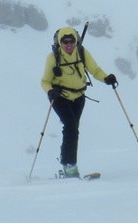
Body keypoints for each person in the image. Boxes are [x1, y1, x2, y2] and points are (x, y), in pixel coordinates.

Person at [40, 26, 117, 178]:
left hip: (79, 96)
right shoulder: (52, 58)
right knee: (71, 127)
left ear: (76, 41)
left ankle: (66, 163)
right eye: (65, 41)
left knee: (73, 128)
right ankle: (70, 166)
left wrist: (106, 78)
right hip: (59, 97)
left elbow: (95, 70)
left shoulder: (82, 52)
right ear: (59, 43)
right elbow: (45, 81)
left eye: (71, 41)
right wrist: (50, 92)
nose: (68, 45)